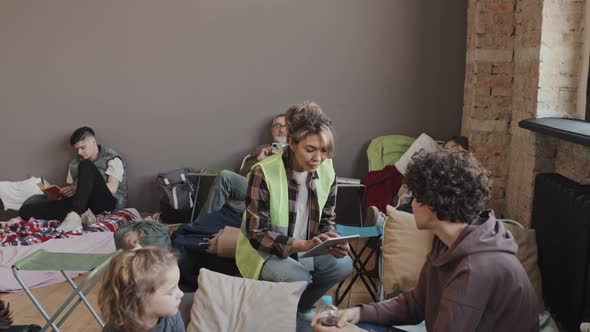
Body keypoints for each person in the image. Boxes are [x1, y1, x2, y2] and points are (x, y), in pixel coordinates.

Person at [311, 149, 539, 332]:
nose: (411, 203)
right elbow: (416, 304)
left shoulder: (476, 267)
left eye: (415, 197)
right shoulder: (448, 241)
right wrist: (358, 313)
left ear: (432, 203)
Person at [235, 101, 353, 320]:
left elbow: (327, 218)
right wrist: (302, 245)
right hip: (263, 252)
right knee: (298, 276)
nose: (318, 158)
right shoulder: (263, 172)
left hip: (306, 247)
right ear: (291, 143)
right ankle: (280, 313)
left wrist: (332, 239)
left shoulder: (326, 169)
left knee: (343, 265)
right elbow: (257, 233)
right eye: (310, 149)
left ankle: (296, 308)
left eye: (324, 150)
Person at [19, 127, 128, 232]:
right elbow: (78, 195)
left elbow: (112, 188)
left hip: (106, 204)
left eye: (82, 147)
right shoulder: (75, 163)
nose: (79, 152)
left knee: (86, 165)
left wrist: (77, 189)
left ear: (93, 142)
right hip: (84, 206)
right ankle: (79, 216)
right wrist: (63, 193)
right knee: (26, 210)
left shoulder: (112, 158)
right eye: (77, 149)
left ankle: (75, 216)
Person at [195, 114, 288, 221]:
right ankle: (202, 224)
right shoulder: (262, 149)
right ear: (272, 131)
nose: (280, 129)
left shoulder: (294, 152)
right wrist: (258, 161)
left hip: (273, 191)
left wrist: (266, 163)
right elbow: (243, 174)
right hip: (251, 186)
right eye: (276, 126)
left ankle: (201, 223)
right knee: (225, 176)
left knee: (225, 176)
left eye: (284, 126)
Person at [98, 232, 185, 332]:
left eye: (177, 286)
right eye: (170, 292)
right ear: (139, 298)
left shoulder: (172, 318)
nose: (181, 294)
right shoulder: (113, 329)